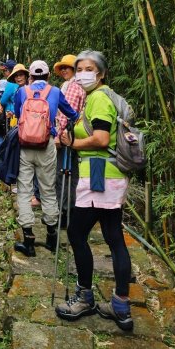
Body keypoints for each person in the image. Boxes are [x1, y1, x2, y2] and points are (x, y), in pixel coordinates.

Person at [55, 50, 133, 331]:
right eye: (79, 69)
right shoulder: (107, 96)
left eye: (89, 69)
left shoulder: (99, 98)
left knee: (76, 232)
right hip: (113, 176)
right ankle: (121, 306)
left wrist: (71, 143)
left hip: (99, 174)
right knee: (114, 237)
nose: (82, 73)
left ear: (101, 73)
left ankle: (85, 296)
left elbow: (100, 138)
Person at [13, 60, 79, 257]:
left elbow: (18, 114)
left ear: (31, 77)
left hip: (25, 145)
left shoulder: (22, 92)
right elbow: (72, 114)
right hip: (47, 144)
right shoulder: (56, 92)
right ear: (49, 75)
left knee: (24, 190)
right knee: (48, 189)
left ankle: (28, 241)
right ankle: (52, 238)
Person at [53, 54, 86, 225]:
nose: (65, 70)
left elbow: (67, 114)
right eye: (63, 68)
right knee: (71, 174)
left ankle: (65, 212)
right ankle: (69, 212)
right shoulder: (78, 86)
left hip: (67, 136)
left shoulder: (72, 87)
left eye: (68, 67)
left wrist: (59, 136)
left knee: (64, 174)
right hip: (74, 136)